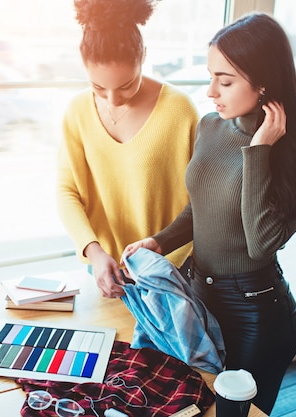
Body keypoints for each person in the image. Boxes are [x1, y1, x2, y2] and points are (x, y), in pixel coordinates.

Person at [121, 12, 296, 415]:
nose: (211, 91)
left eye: (226, 80)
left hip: (256, 315)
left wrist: (258, 151)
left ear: (264, 80)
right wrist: (160, 241)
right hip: (197, 294)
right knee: (185, 405)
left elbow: (262, 243)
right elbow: (200, 207)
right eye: (211, 76)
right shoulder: (211, 127)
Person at [57, 0, 199, 298]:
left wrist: (163, 255)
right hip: (105, 271)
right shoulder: (78, 111)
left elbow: (202, 199)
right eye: (98, 87)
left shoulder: (179, 110)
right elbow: (66, 192)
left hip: (170, 270)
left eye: (125, 86)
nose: (112, 100)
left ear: (144, 56)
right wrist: (94, 253)